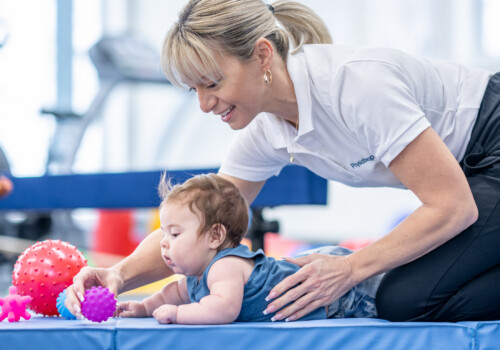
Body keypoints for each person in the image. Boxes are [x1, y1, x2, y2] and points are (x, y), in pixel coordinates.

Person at [66, 0, 500, 322]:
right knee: (401, 292)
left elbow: (452, 207)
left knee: (403, 299)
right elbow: (199, 226)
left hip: (492, 143)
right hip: (470, 173)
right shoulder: (262, 127)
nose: (203, 104)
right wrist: (118, 274)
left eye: (212, 83)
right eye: (192, 90)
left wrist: (348, 267)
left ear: (262, 56)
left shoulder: (354, 85)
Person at [116, 173, 381, 324]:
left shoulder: (225, 266)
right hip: (320, 283)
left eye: (174, 233)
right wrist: (144, 308)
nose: (163, 242)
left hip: (345, 296)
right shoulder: (197, 275)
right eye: (164, 233)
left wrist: (177, 313)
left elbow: (222, 309)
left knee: (387, 294)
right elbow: (170, 294)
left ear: (215, 236)